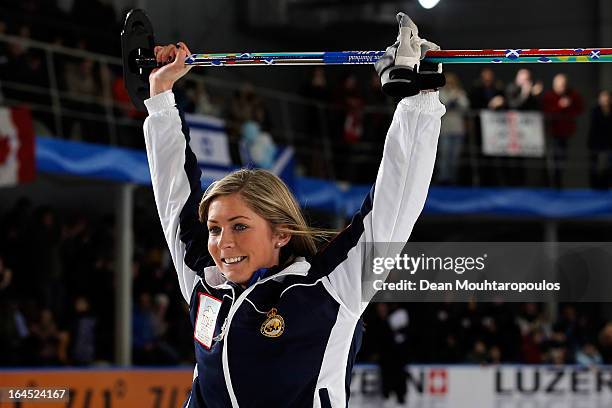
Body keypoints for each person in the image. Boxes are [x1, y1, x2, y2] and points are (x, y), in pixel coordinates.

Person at [142, 12, 444, 407]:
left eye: (239, 227)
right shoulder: (206, 283)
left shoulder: (328, 289)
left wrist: (418, 101)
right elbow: (174, 198)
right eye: (214, 228)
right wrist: (160, 98)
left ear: (281, 233)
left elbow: (394, 206)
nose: (222, 243)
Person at [541, 73, 584, 188]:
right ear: (554, 85)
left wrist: (570, 104)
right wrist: (560, 105)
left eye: (564, 85)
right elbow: (546, 113)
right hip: (551, 135)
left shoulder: (572, 95)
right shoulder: (548, 96)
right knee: (552, 163)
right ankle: (551, 185)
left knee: (563, 162)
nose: (562, 87)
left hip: (567, 134)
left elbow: (580, 109)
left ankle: (559, 185)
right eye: (559, 85)